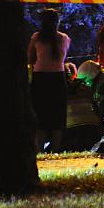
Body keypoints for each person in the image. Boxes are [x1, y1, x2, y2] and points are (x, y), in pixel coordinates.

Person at [27, 9, 71, 152]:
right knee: (57, 115)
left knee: (40, 114)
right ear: (57, 22)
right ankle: (56, 149)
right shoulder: (65, 38)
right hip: (58, 78)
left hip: (40, 79)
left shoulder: (36, 38)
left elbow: (30, 59)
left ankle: (39, 148)